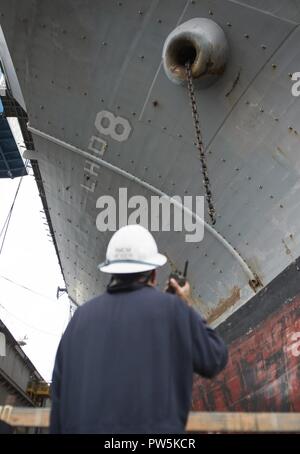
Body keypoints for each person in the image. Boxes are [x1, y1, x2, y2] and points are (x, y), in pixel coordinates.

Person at [50, 225, 227, 434]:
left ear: (111, 271)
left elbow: (58, 398)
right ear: (153, 273)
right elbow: (215, 358)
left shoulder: (78, 320)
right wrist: (184, 305)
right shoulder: (173, 310)